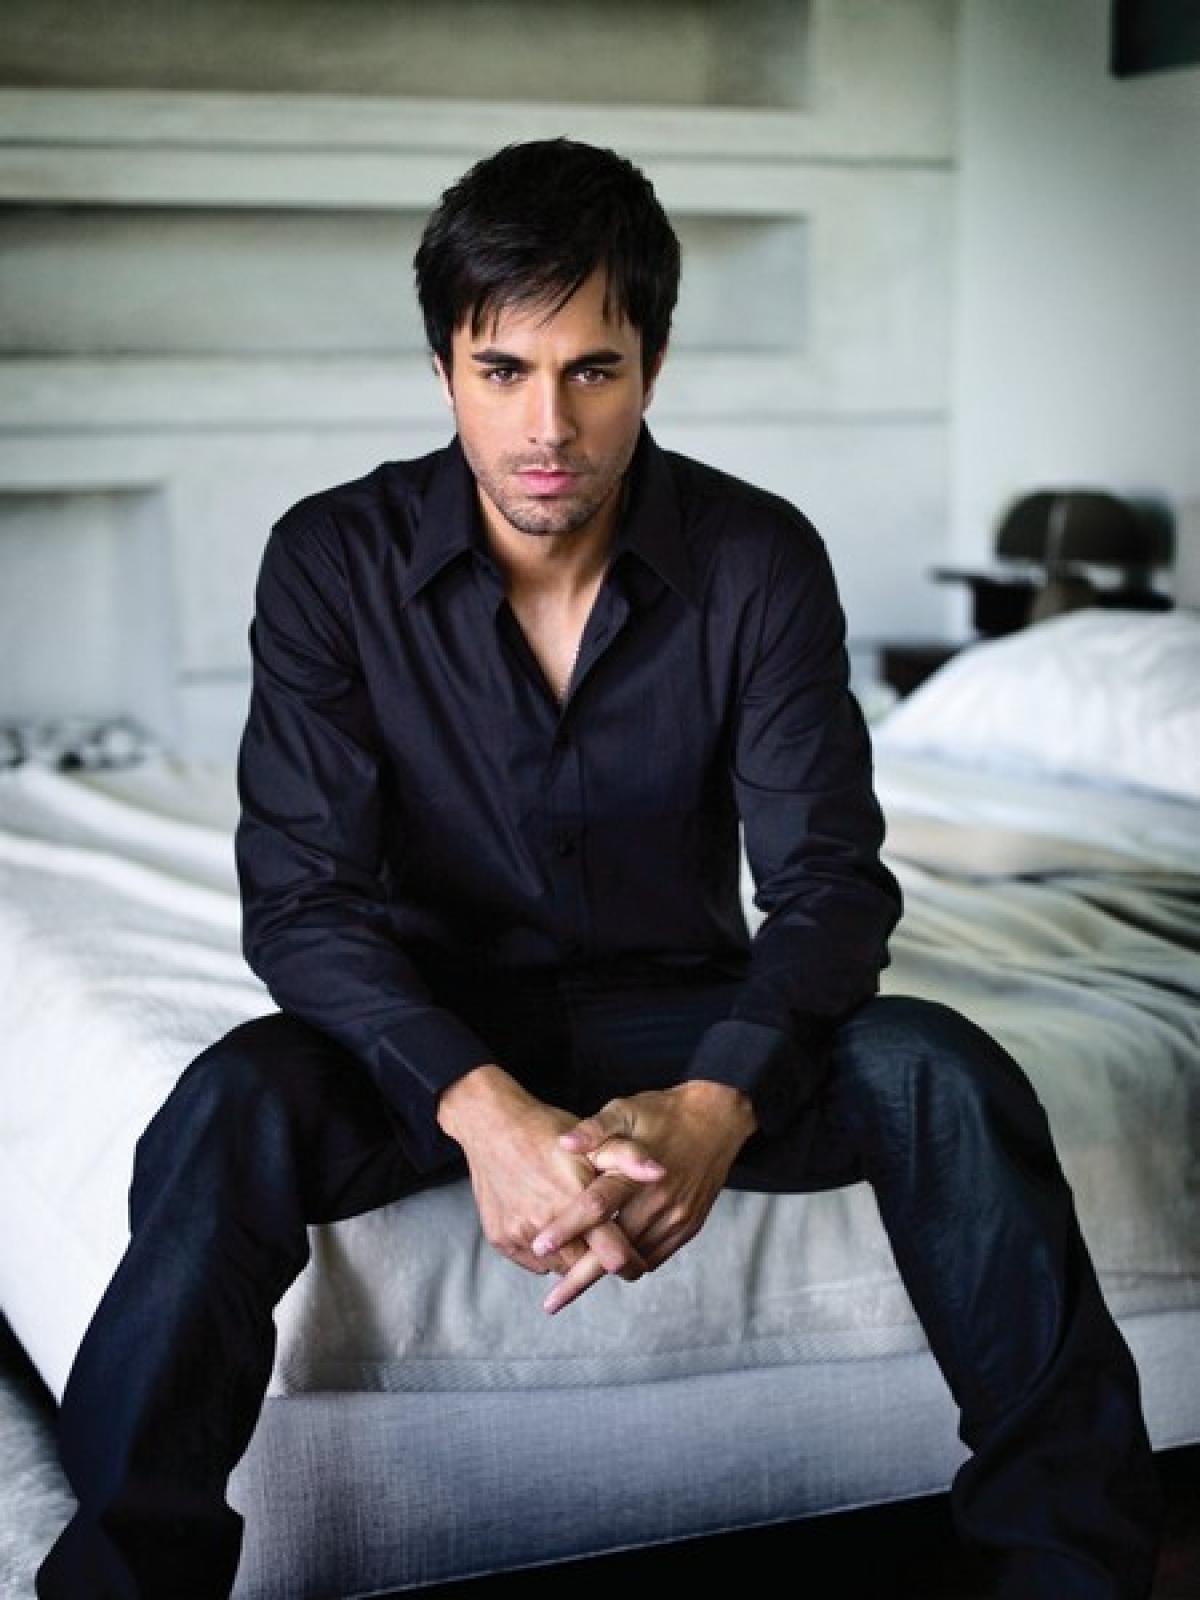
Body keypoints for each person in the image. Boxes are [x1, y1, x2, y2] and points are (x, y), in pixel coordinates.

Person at [38, 136, 1161, 1600]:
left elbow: (828, 887)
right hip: (433, 1029)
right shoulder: (330, 560)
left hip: (684, 1015)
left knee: (942, 1071)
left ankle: (1070, 1574)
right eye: (503, 370)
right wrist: (485, 1110)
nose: (548, 426)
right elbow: (302, 902)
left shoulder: (760, 558)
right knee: (225, 1104)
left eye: (595, 371)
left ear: (654, 366)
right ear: (443, 368)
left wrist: (715, 1102)